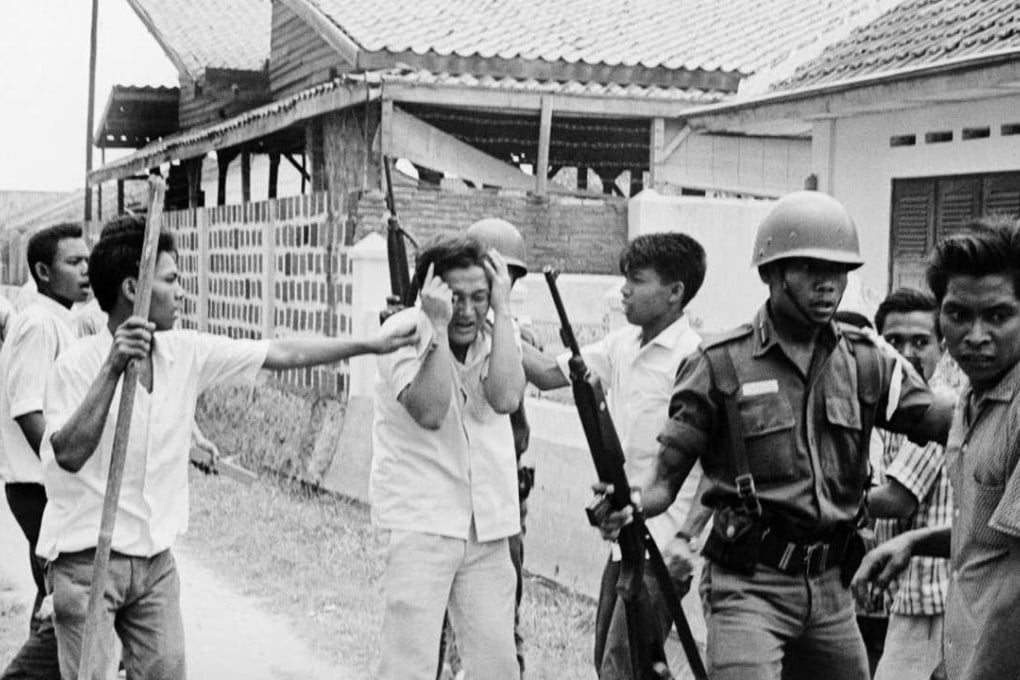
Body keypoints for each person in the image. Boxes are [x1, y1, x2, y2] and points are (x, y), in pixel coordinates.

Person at [34, 219, 418, 680]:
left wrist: (370, 344)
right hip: (88, 562)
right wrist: (113, 368)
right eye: (172, 280)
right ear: (133, 287)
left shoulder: (185, 352)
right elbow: (69, 454)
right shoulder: (76, 366)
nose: (182, 293)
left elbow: (281, 353)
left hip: (155, 563)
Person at [600, 191, 954, 680]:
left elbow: (950, 420)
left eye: (838, 270)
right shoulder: (718, 364)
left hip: (832, 586)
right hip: (750, 585)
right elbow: (663, 483)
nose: (828, 284)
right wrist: (627, 500)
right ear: (771, 273)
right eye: (809, 268)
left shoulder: (867, 362)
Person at [523, 232, 711, 678]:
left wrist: (687, 538)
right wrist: (496, 328)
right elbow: (554, 372)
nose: (623, 290)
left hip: (664, 545)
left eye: (637, 280)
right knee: (613, 666)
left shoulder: (695, 359)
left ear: (674, 291)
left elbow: (716, 465)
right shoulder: (623, 344)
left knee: (622, 669)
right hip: (624, 539)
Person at [853, 217, 1020, 680]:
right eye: (959, 314)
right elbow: (989, 539)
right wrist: (916, 540)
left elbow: (1016, 579)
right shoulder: (971, 398)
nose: (976, 335)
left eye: (999, 315)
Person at [371, 234, 524, 680]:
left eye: (480, 297)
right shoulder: (400, 335)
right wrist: (435, 328)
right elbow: (431, 410)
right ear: (431, 292)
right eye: (455, 298)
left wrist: (506, 310)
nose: (468, 310)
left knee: (497, 665)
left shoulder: (497, 335)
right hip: (423, 522)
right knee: (409, 664)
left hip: (487, 523)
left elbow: (507, 396)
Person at [1, 223, 91, 680]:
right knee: (69, 606)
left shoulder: (60, 320)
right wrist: (65, 469)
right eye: (73, 262)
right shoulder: (38, 324)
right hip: (39, 486)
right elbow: (26, 408)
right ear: (42, 270)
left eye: (86, 260)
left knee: (57, 599)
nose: (85, 270)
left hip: (46, 485)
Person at [865, 288, 955, 680]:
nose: (906, 353)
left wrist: (818, 499)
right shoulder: (891, 413)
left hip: (926, 595)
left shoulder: (940, 406)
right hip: (896, 590)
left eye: (921, 341)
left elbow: (897, 500)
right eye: (893, 341)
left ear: (942, 348)